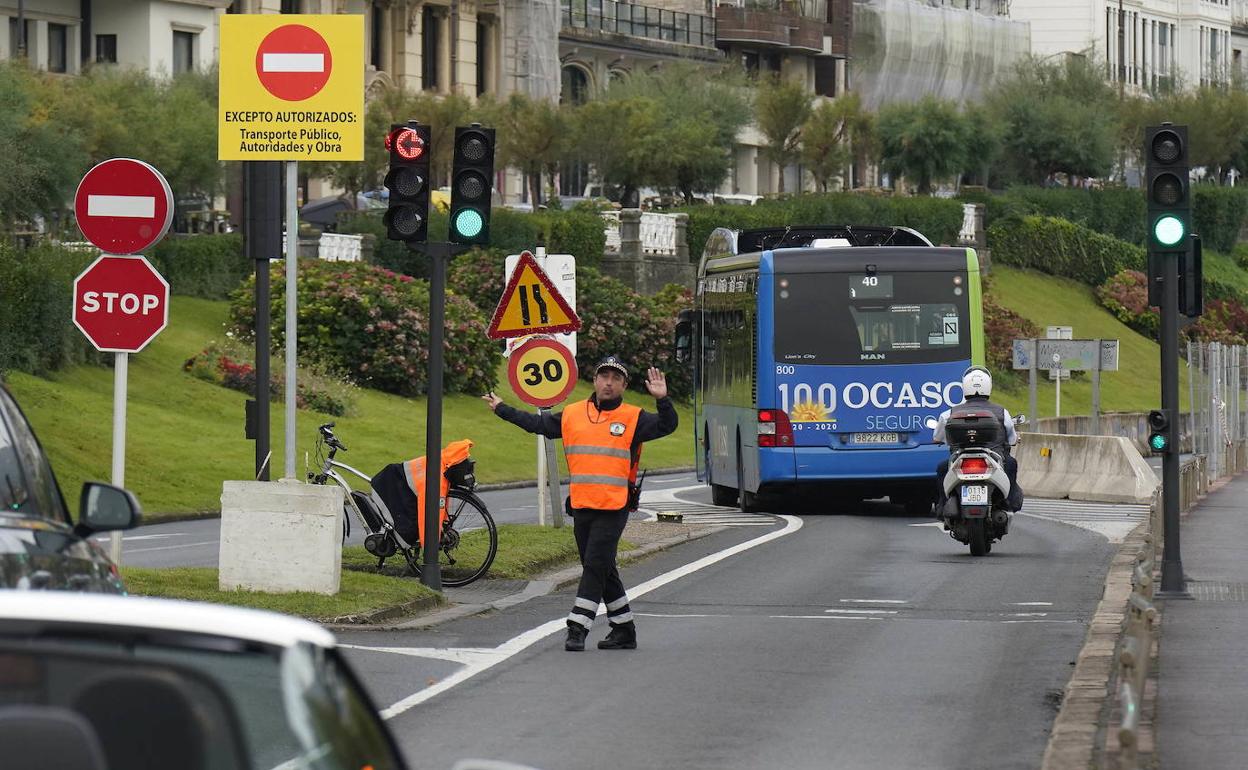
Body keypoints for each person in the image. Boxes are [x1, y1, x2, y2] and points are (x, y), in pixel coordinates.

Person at [483, 355, 678, 651]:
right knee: (599, 567)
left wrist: (662, 400)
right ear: (595, 381)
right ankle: (624, 629)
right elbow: (536, 424)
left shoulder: (632, 417)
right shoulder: (573, 414)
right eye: (604, 377)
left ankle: (578, 626)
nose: (608, 383)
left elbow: (668, 426)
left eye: (616, 378)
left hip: (614, 507)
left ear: (624, 385)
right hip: (583, 505)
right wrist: (501, 409)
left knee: (595, 566)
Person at [932, 365, 1022, 514]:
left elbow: (937, 437)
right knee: (1011, 464)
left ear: (965, 386)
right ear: (989, 386)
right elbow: (1012, 439)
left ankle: (943, 506)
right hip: (994, 459)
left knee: (942, 469)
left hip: (960, 458)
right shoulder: (1002, 412)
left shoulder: (950, 413)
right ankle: (1009, 501)